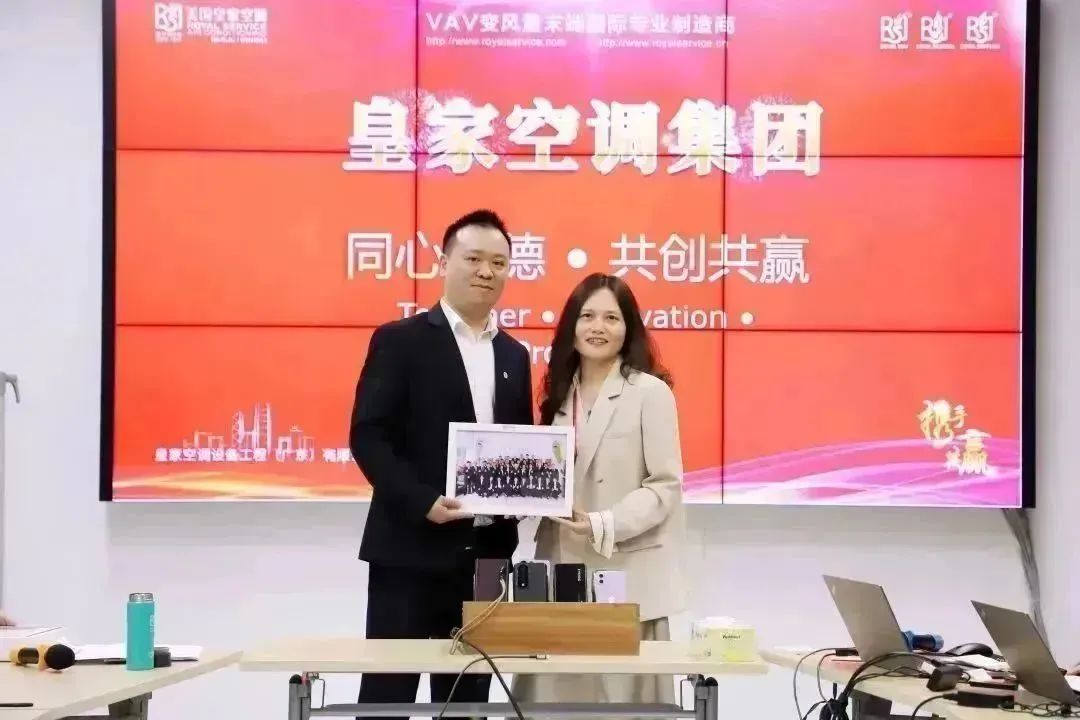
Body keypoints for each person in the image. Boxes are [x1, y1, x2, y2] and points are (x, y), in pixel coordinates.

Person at [349, 209, 533, 714]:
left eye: (498, 263)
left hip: (487, 558)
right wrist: (422, 501)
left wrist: (531, 492)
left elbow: (518, 446)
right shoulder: (400, 340)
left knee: (468, 700)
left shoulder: (514, 355)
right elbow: (368, 436)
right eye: (473, 259)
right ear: (444, 262)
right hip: (409, 549)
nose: (486, 271)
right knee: (388, 697)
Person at [513, 272, 687, 706]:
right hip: (561, 571)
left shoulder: (650, 392)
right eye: (587, 316)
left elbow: (664, 486)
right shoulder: (557, 395)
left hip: (626, 574)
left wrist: (601, 522)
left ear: (629, 328)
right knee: (553, 705)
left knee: (624, 706)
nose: (598, 327)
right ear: (571, 326)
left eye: (611, 318)